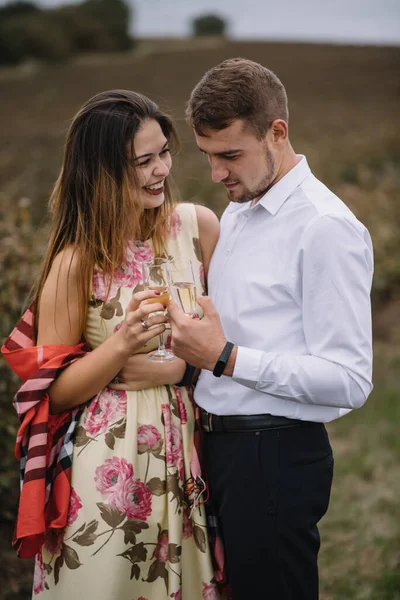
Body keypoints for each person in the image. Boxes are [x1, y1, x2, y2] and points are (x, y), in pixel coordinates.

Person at [2, 90, 222, 599]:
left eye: (163, 152)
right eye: (141, 162)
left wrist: (182, 372)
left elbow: (232, 343)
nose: (160, 170)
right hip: (108, 473)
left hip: (191, 457)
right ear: (100, 172)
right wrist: (120, 345)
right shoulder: (75, 263)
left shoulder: (198, 228)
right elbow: (51, 394)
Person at [167, 58, 374, 600]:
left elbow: (350, 380)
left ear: (276, 132)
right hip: (222, 450)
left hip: (274, 457)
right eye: (209, 155)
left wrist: (226, 357)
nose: (216, 173)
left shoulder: (325, 228)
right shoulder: (240, 208)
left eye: (230, 154)